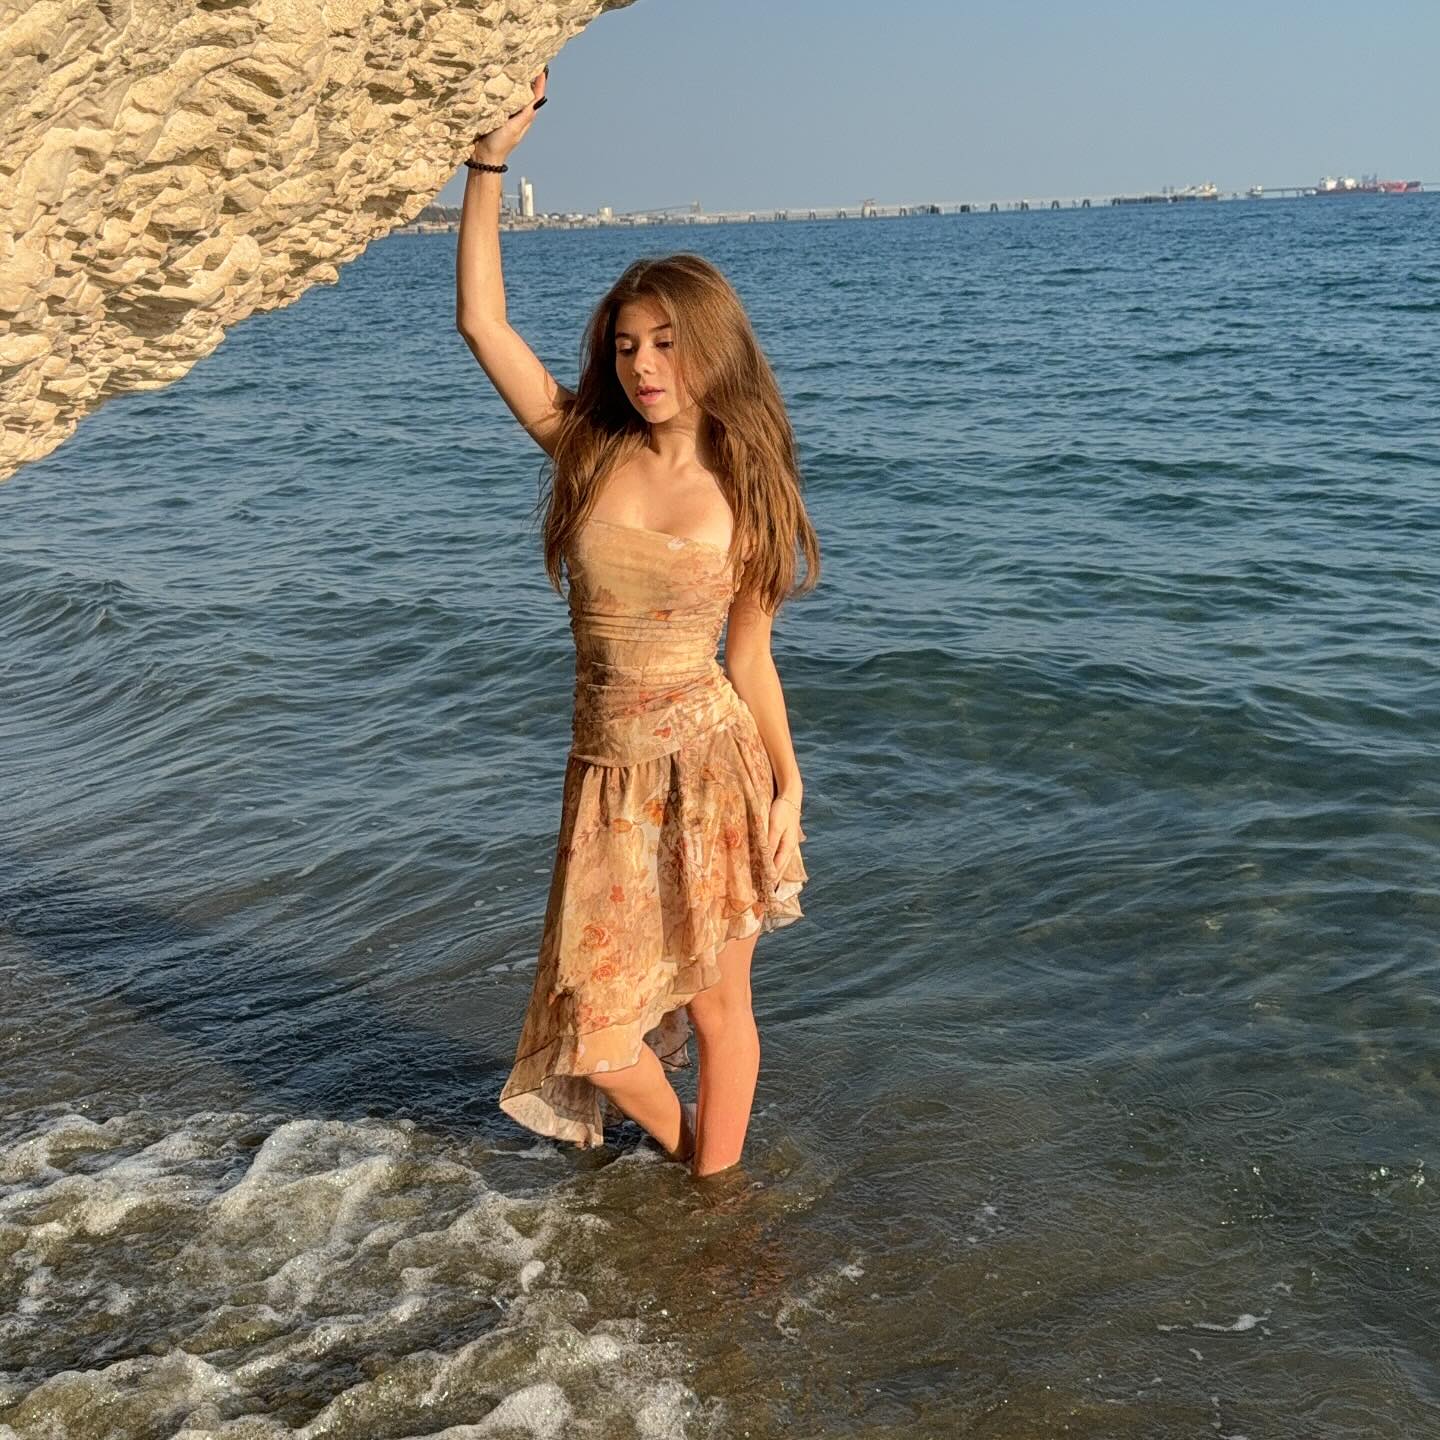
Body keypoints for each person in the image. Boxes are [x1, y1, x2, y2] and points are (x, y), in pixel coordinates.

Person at [455, 68, 819, 1180]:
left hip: (711, 770)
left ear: (710, 346)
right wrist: (488, 163)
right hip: (606, 775)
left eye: (664, 343)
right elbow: (482, 323)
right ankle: (703, 1166)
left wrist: (789, 788)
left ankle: (715, 1199)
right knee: (603, 1040)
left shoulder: (750, 488)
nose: (644, 366)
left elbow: (749, 658)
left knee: (718, 1010)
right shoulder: (588, 448)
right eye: (626, 347)